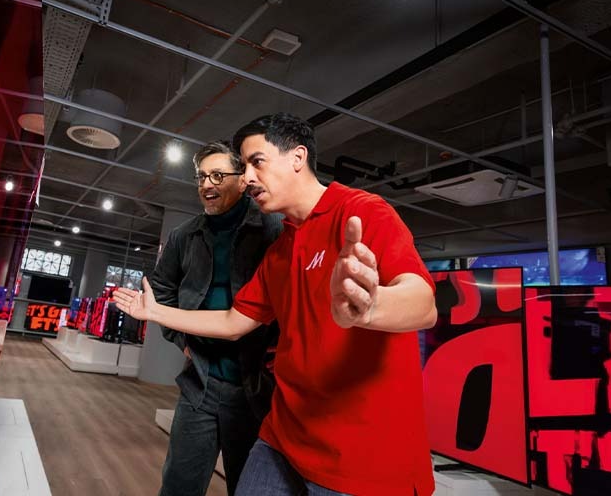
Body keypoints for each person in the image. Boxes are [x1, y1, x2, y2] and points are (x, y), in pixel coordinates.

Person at [115, 114, 437, 496]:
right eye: (245, 165)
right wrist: (154, 313)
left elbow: (423, 302)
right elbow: (235, 320)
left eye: (256, 162)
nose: (247, 176)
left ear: (297, 158)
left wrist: (372, 307)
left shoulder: (364, 211)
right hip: (284, 437)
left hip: (360, 455)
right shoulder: (280, 251)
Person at [147, 140, 283, 496]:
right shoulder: (183, 236)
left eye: (218, 175)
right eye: (202, 177)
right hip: (200, 384)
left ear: (242, 181)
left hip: (254, 390)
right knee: (179, 485)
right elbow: (161, 288)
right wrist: (181, 339)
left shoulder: (273, 230)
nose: (207, 184)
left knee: (248, 488)